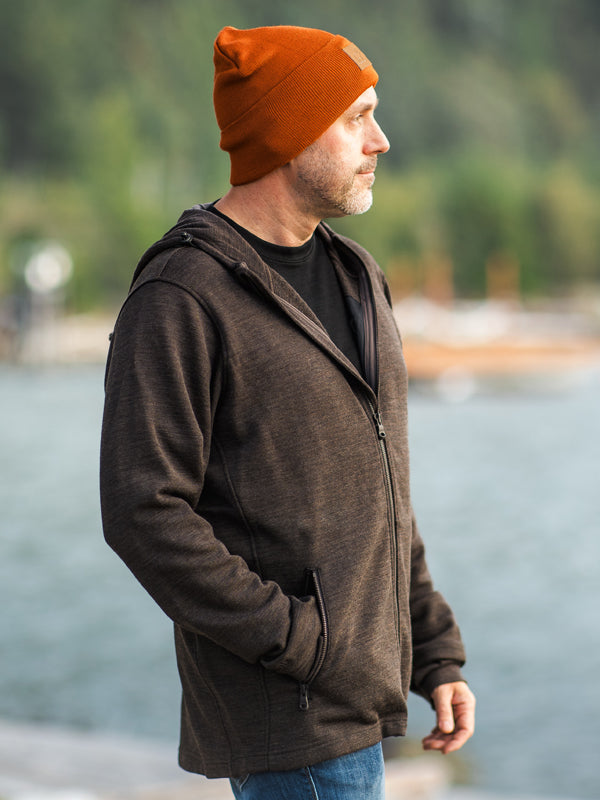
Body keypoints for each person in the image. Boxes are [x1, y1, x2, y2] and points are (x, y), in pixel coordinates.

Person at [100, 24, 475, 800]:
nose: (382, 140)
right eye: (355, 117)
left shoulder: (355, 274)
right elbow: (143, 512)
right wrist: (307, 643)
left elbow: (379, 489)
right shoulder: (181, 296)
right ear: (287, 130)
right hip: (291, 721)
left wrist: (433, 650)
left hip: (358, 703)